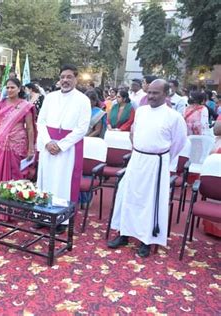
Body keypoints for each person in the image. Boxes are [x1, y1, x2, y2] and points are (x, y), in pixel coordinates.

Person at [108, 79, 187, 258]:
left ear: (166, 94)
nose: (151, 96)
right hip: (137, 159)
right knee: (128, 196)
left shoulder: (173, 116)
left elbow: (179, 142)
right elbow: (133, 132)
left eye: (156, 93)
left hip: (156, 163)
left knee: (149, 201)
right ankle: (124, 234)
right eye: (149, 92)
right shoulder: (141, 111)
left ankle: (147, 240)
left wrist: (162, 157)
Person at [36, 64, 91, 233]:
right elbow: (41, 121)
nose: (65, 80)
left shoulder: (83, 100)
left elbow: (82, 128)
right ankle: (43, 215)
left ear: (76, 79)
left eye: (69, 77)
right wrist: (47, 142)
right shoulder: (50, 97)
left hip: (68, 149)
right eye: (62, 77)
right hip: (48, 146)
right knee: (45, 181)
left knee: (62, 183)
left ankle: (62, 219)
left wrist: (61, 145)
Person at [0, 78, 36, 188]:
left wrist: (30, 149)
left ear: (19, 89)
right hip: (1, 143)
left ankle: (14, 200)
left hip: (17, 144)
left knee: (16, 173)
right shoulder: (1, 104)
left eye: (12, 87)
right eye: (8, 87)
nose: (9, 90)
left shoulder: (25, 106)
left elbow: (29, 129)